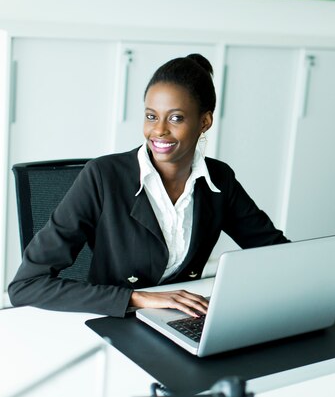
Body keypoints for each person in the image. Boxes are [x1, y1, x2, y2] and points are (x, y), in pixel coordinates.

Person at [8, 54, 288, 317]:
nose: (159, 130)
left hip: (181, 318)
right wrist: (137, 298)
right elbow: (26, 285)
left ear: (205, 121)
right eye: (151, 116)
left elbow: (277, 254)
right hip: (114, 320)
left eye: (176, 118)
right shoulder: (103, 176)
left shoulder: (219, 179)